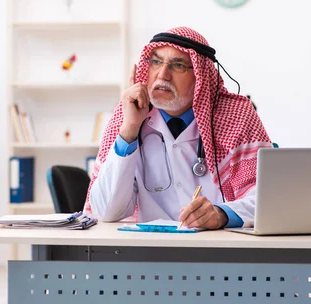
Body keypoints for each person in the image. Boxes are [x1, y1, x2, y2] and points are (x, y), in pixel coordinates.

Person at [84, 26, 272, 229]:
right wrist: (130, 129)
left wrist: (222, 214)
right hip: (150, 251)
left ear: (200, 76)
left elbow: (270, 198)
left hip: (220, 248)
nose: (162, 75)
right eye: (156, 62)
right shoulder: (128, 116)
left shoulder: (236, 116)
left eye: (178, 65)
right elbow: (104, 211)